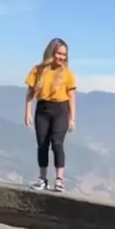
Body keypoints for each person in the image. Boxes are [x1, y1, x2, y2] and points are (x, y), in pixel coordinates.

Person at [24, 38, 76, 193]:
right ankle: (42, 179)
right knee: (42, 144)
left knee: (57, 143)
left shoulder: (67, 74)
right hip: (42, 109)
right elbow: (30, 94)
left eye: (64, 55)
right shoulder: (38, 70)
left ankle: (59, 180)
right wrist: (27, 112)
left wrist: (72, 118)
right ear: (51, 53)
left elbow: (71, 96)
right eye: (59, 53)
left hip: (61, 110)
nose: (61, 57)